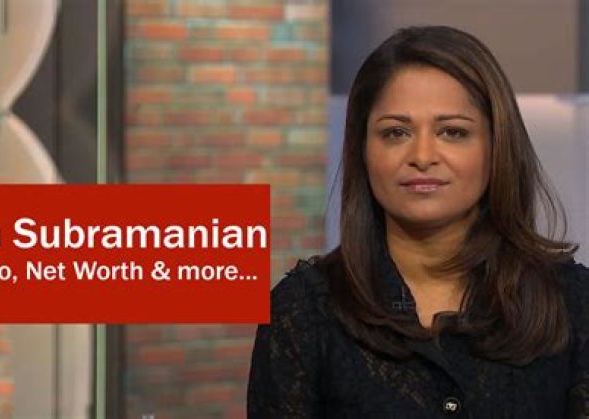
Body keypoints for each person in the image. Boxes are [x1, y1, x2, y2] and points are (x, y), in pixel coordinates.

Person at [247, 25, 589, 418]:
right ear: (363, 150)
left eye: (452, 132)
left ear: (497, 147)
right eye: (396, 132)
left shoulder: (573, 303)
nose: (422, 156)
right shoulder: (303, 311)